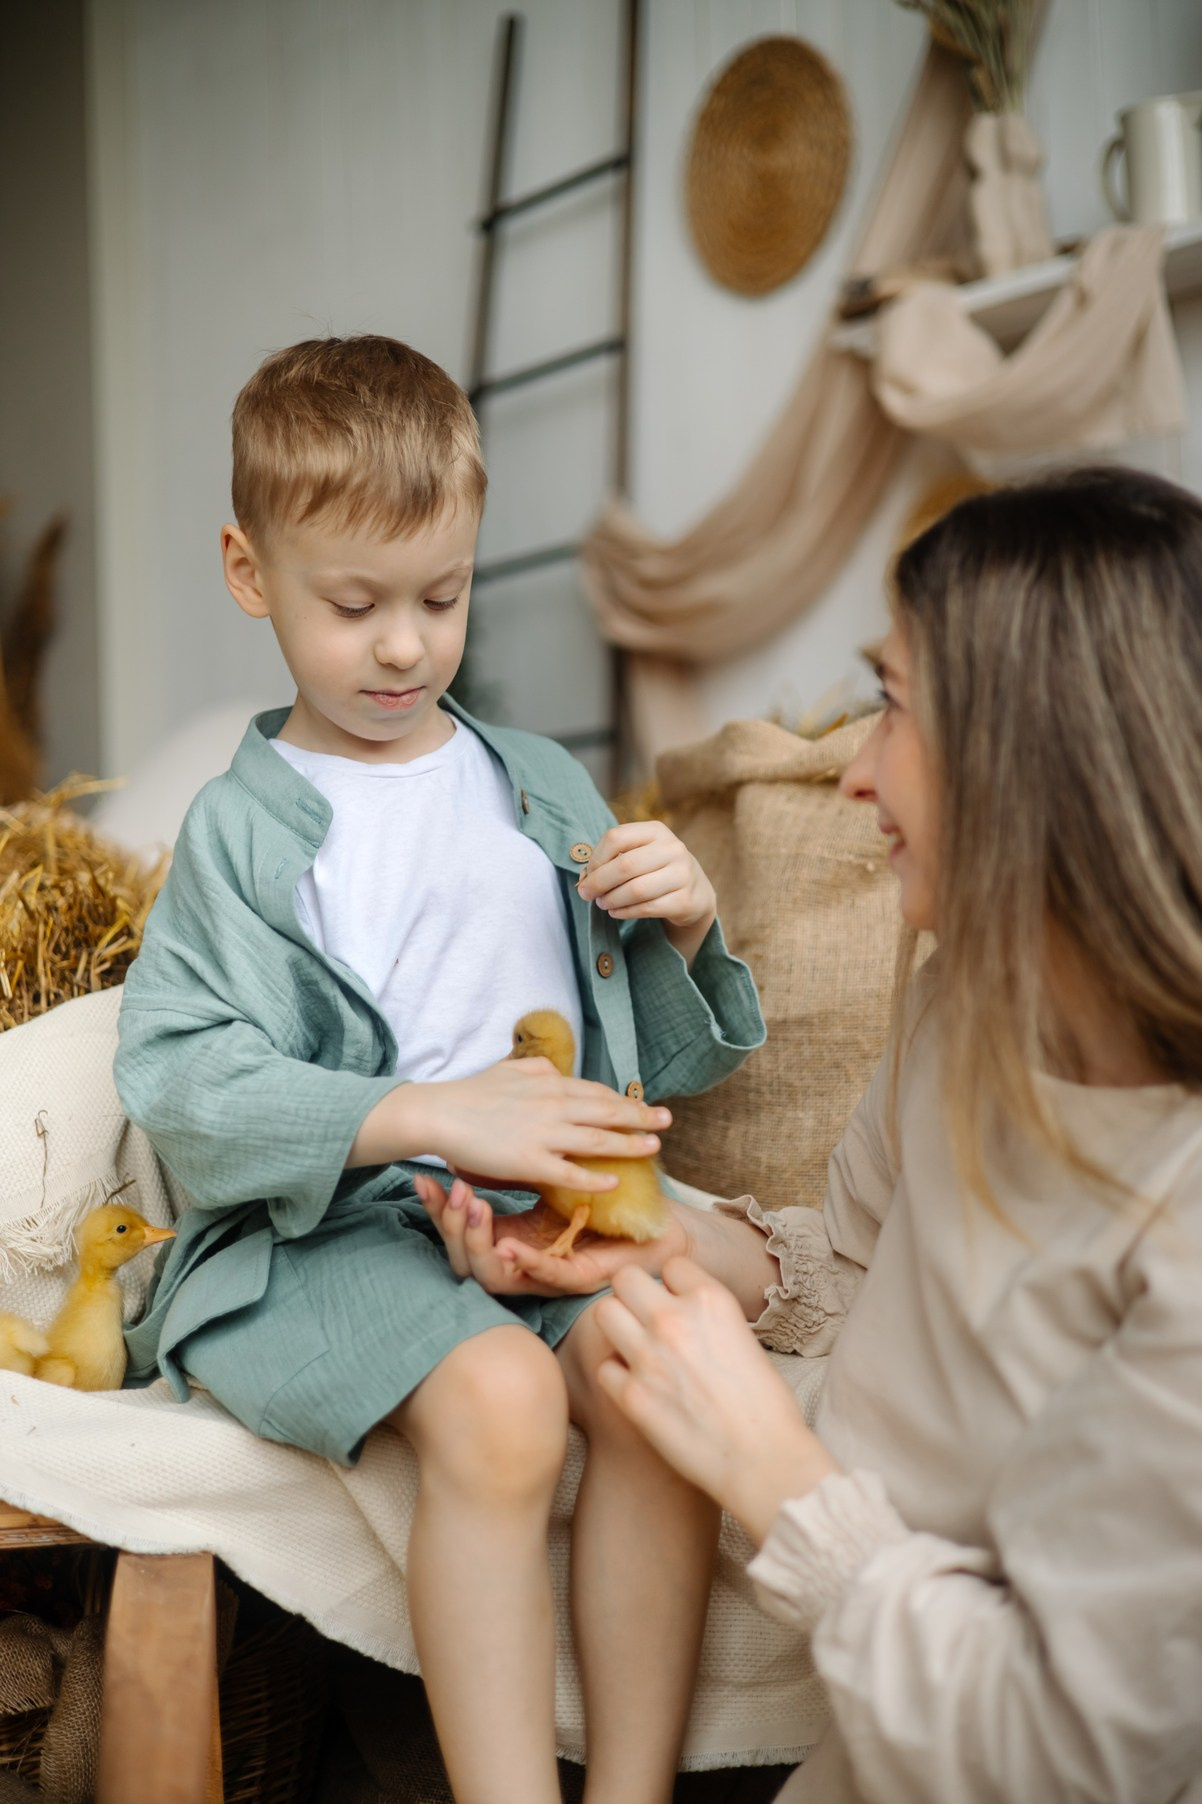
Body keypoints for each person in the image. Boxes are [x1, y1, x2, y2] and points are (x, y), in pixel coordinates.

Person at [113, 334, 766, 1804]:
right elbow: (180, 1072)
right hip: (333, 1237)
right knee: (504, 1404)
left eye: (442, 596)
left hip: (545, 1219)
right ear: (247, 569)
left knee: (661, 1365)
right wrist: (419, 1118)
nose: (402, 645)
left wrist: (689, 914)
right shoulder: (241, 831)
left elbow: (656, 1063)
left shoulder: (539, 783)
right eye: (353, 606)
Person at [576, 467, 1202, 1803]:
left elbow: (1070, 1753)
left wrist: (769, 1471)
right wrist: (654, 1228)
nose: (852, 772)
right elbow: (860, 1268)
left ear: (1045, 754)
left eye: (891, 708)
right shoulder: (958, 995)